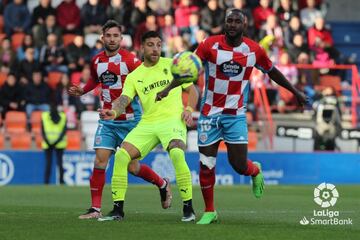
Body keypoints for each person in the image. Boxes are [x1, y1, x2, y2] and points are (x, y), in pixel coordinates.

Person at [156, 9, 307, 224]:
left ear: (244, 25)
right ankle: (210, 211)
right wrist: (168, 89)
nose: (233, 24)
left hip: (235, 114)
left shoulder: (253, 50)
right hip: (209, 114)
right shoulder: (209, 45)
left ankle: (254, 171)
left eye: (237, 21)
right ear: (224, 23)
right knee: (206, 164)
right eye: (229, 20)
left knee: (238, 165)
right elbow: (189, 70)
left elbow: (273, 72)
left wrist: (296, 92)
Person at [69, 20, 172, 220]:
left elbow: (145, 80)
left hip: (131, 121)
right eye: (109, 36)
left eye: (116, 36)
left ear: (121, 39)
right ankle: (95, 209)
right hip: (108, 120)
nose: (112, 39)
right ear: (102, 38)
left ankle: (162, 184)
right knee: (100, 160)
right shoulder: (96, 60)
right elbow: (94, 79)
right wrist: (84, 90)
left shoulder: (131, 60)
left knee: (133, 167)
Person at [98, 31, 198, 222]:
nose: (155, 49)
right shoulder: (135, 75)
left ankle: (188, 209)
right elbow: (124, 99)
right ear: (142, 47)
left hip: (172, 120)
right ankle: (118, 210)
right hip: (148, 123)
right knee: (121, 156)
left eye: (159, 45)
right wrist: (113, 111)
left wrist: (189, 108)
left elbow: (191, 90)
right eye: (151, 45)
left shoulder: (172, 65)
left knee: (177, 153)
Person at [41, 102, 67, 184]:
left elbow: (42, 131)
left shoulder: (44, 115)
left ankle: (46, 182)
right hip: (59, 144)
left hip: (47, 143)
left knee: (49, 163)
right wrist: (56, 142)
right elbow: (64, 131)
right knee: (60, 163)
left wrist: (49, 143)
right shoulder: (63, 116)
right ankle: (61, 182)